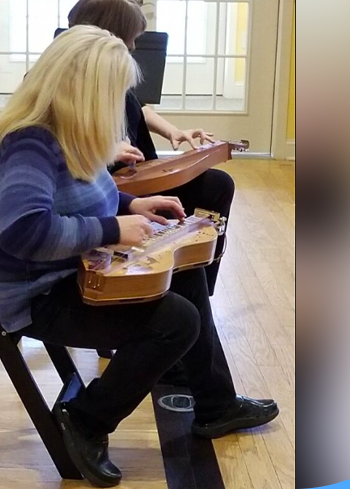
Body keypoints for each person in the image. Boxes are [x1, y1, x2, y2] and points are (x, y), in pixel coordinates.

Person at [0, 26, 278, 488]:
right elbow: (25, 232)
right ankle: (86, 420)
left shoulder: (65, 133)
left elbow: (81, 196)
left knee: (186, 275)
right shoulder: (30, 143)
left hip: (67, 274)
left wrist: (130, 206)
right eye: (114, 92)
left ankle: (216, 406)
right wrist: (114, 228)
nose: (121, 105)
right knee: (175, 320)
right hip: (37, 296)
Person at [68, 0, 236, 298]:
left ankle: (196, 275)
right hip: (106, 186)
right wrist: (106, 148)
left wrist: (175, 131)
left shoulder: (111, 76)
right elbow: (64, 154)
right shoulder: (68, 86)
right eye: (131, 38)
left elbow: (139, 107)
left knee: (217, 184)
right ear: (109, 34)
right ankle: (181, 279)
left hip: (132, 179)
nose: (133, 47)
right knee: (211, 189)